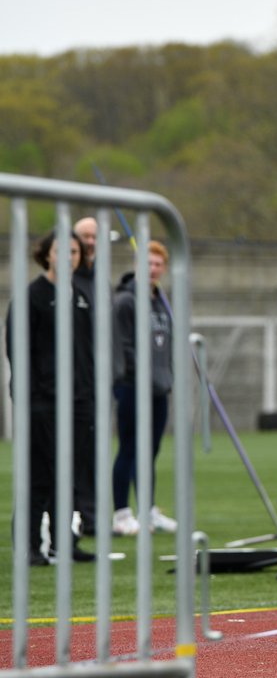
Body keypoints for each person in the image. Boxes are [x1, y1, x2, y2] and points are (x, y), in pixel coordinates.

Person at [5, 231, 96, 564]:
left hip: (80, 402)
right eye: (62, 250)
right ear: (46, 255)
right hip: (43, 403)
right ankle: (27, 547)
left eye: (74, 251)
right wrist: (31, 397)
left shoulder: (83, 296)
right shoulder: (32, 297)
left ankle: (64, 542)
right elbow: (20, 350)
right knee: (40, 476)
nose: (69, 256)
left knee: (71, 476)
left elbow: (89, 352)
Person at [111, 240, 177, 536]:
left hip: (159, 388)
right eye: (147, 263)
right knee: (129, 448)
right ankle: (121, 514)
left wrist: (166, 377)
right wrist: (143, 374)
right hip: (131, 386)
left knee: (150, 451)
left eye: (157, 264)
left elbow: (166, 345)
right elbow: (123, 346)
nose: (152, 269)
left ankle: (148, 510)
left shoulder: (163, 301)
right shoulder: (125, 301)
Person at [71, 216, 99, 536]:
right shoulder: (63, 285)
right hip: (67, 386)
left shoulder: (98, 282)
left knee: (91, 454)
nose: (90, 243)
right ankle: (71, 516)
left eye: (94, 237)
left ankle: (90, 517)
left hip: (94, 384)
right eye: (84, 237)